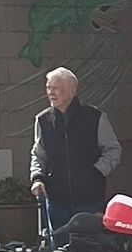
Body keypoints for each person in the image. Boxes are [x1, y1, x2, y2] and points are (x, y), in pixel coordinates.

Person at [28, 67, 121, 237]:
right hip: (57, 201)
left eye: (56, 88)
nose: (50, 93)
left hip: (90, 200)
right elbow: (38, 154)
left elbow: (113, 150)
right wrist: (37, 178)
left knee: (90, 250)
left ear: (71, 91)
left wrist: (95, 172)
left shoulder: (95, 117)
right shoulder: (42, 120)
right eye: (49, 87)